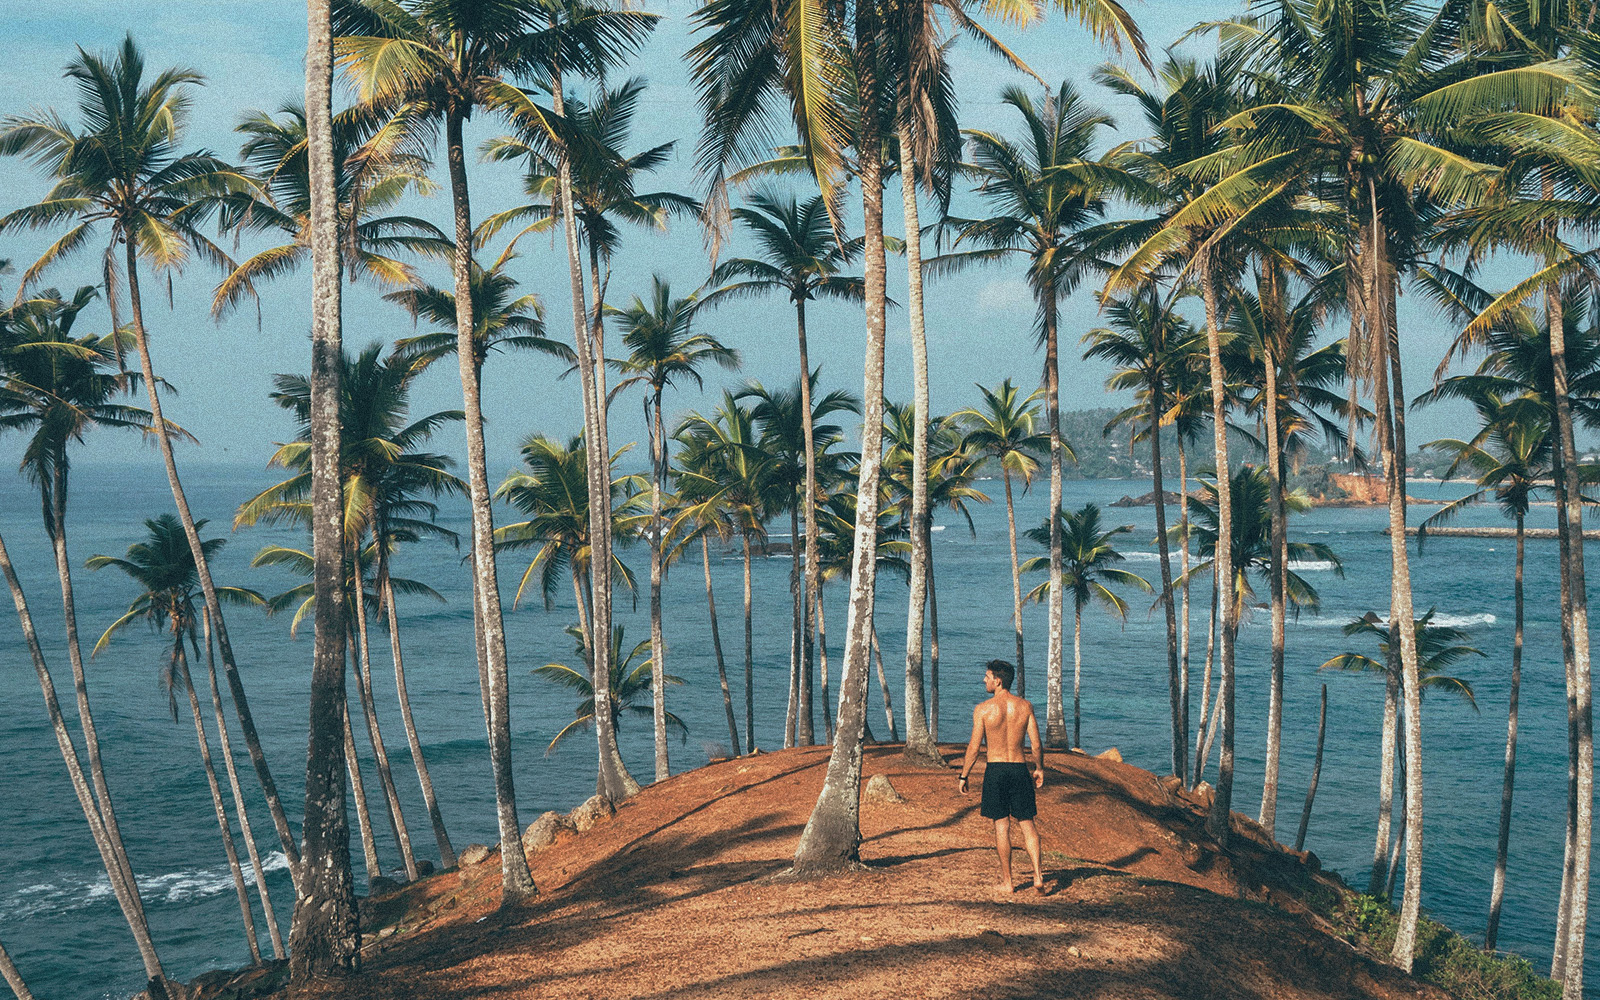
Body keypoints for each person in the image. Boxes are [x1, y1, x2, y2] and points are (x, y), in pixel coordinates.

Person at [957, 659, 1045, 893]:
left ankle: (1008, 882)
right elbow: (1036, 744)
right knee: (1027, 824)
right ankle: (1037, 876)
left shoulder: (983, 709)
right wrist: (1039, 768)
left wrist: (964, 775)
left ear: (997, 681)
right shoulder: (1025, 706)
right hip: (1019, 768)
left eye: (987, 677)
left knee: (1002, 826)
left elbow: (974, 748)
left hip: (996, 771)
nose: (984, 680)